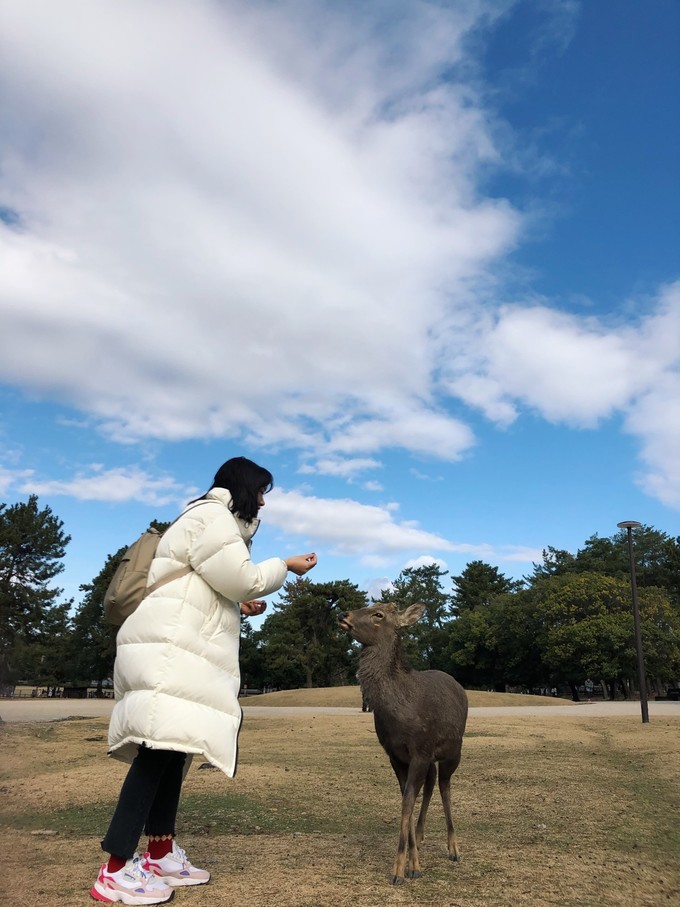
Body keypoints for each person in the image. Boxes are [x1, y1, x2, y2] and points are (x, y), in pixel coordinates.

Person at [90, 456, 317, 904]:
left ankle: (159, 852)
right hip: (169, 652)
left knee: (174, 750)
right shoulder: (214, 517)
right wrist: (284, 566)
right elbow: (243, 578)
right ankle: (114, 870)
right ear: (244, 487)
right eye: (261, 492)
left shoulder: (203, 518)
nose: (263, 502)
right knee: (156, 754)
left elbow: (208, 585)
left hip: (170, 647)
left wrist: (237, 606)